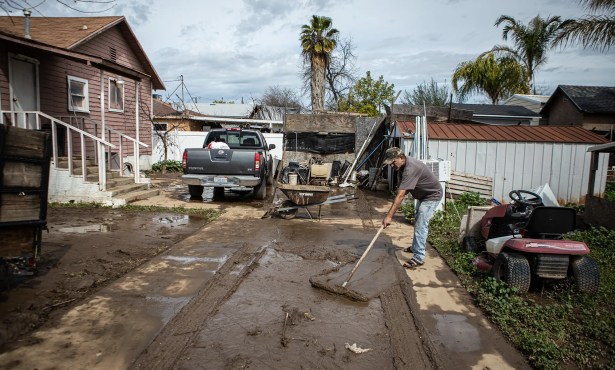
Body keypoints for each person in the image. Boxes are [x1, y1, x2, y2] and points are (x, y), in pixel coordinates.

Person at [382, 147, 443, 268]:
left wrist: (389, 217)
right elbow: (402, 189)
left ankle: (419, 257)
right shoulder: (402, 167)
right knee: (418, 221)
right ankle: (415, 247)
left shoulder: (411, 168)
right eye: (390, 163)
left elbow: (400, 195)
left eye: (393, 162)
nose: (392, 165)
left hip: (432, 195)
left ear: (401, 157)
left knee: (421, 224)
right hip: (422, 196)